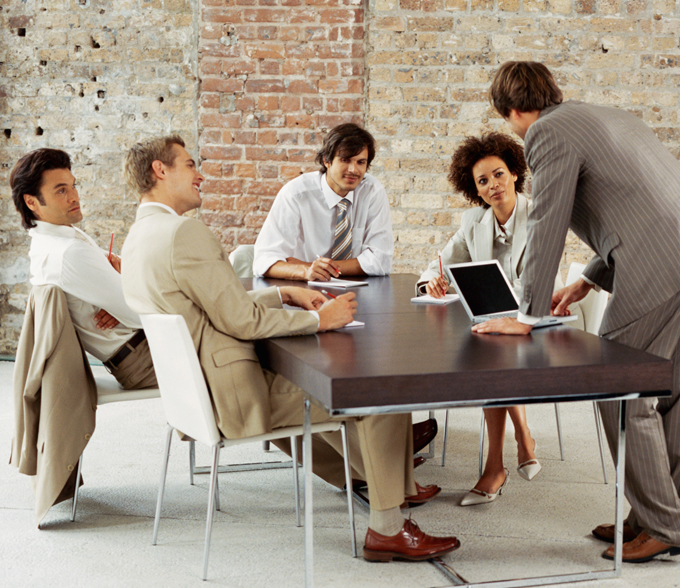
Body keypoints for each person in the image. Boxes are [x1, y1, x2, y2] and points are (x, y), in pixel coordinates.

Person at [120, 135, 459, 562]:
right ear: (160, 170)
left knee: (320, 384)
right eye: (190, 165)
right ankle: (388, 529)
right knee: (377, 390)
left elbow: (213, 307)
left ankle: (370, 480)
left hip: (196, 396)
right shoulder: (184, 233)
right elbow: (240, 321)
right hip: (235, 398)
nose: (199, 174)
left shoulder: (139, 236)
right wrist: (321, 320)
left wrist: (283, 294)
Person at [478, 61, 680, 563]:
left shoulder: (547, 133)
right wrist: (590, 277)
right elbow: (643, 203)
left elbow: (548, 220)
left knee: (617, 387)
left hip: (662, 266)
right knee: (678, 393)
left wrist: (527, 315)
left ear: (511, 110)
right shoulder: (609, 116)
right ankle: (655, 516)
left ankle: (664, 524)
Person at [416, 133, 564, 506]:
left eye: (499, 174)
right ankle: (520, 439)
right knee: (491, 351)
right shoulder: (474, 221)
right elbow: (441, 263)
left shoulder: (541, 215)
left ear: (514, 173)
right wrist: (432, 282)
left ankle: (498, 464)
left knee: (491, 355)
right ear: (476, 191)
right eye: (483, 181)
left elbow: (542, 284)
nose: (493, 185)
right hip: (498, 327)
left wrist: (508, 310)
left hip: (540, 322)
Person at [10, 148, 157, 390]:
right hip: (144, 357)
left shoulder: (53, 241)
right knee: (224, 351)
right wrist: (126, 299)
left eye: (73, 186)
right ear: (31, 202)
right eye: (61, 190)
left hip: (141, 348)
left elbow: (129, 285)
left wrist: (123, 295)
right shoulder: (68, 253)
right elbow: (143, 312)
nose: (74, 197)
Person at [252, 123, 393, 281]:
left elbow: (380, 261)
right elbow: (263, 261)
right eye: (345, 160)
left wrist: (311, 266)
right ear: (327, 160)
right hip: (303, 291)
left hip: (358, 289)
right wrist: (305, 272)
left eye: (360, 162)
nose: (353, 170)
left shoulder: (372, 191)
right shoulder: (296, 194)